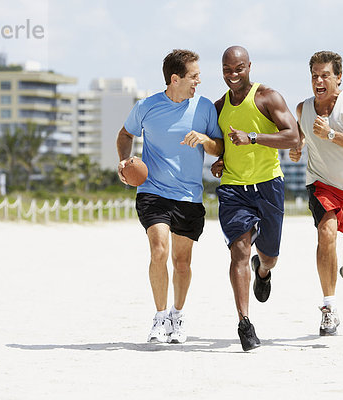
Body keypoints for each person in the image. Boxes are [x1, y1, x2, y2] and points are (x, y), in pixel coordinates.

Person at [116, 49, 223, 344]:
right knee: (159, 250)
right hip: (153, 192)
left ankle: (178, 314)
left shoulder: (204, 108)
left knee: (182, 262)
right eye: (194, 76)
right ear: (175, 79)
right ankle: (160, 316)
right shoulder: (147, 107)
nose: (198, 81)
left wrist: (205, 141)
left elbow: (220, 147)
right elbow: (125, 135)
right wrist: (125, 162)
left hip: (189, 195)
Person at [210, 46, 300, 351]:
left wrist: (254, 137)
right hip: (234, 189)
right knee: (238, 251)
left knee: (270, 256)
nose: (233, 76)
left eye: (238, 69)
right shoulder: (219, 106)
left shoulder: (268, 97)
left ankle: (262, 271)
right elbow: (220, 143)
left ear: (250, 66)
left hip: (268, 186)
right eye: (227, 70)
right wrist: (219, 158)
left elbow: (293, 137)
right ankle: (244, 323)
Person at [290, 51, 343, 336]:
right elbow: (300, 135)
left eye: (325, 75)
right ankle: (329, 308)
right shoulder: (303, 109)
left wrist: (331, 135)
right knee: (325, 233)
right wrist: (297, 146)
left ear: (338, 77)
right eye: (314, 75)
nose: (319, 80)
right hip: (322, 184)